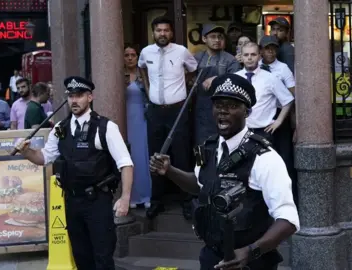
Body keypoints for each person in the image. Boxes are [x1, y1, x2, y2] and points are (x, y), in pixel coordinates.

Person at [149, 74, 299, 269]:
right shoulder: (208, 149)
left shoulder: (264, 157)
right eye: (218, 105)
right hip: (212, 257)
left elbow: (288, 219)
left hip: (251, 261)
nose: (223, 112)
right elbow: (200, 185)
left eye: (232, 106)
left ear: (247, 112)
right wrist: (169, 171)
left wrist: (251, 251)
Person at [16, 76, 133, 269]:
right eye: (71, 96)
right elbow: (44, 158)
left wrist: (125, 198)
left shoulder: (105, 127)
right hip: (71, 202)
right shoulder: (60, 129)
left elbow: (126, 164)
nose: (74, 100)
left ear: (90, 97)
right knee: (81, 257)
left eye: (79, 96)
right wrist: (26, 152)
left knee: (103, 257)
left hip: (98, 201)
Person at [138, 16, 197, 219]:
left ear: (171, 33)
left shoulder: (181, 51)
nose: (162, 34)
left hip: (177, 111)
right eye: (158, 30)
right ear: (153, 32)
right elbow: (142, 68)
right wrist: (148, 89)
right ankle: (157, 201)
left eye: (166, 30)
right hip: (155, 111)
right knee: (155, 155)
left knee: (181, 155)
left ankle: (187, 202)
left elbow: (193, 71)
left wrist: (181, 88)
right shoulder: (146, 52)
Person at [124, 45, 151, 209]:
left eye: (133, 54)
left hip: (142, 117)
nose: (130, 58)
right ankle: (131, 196)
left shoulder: (144, 74)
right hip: (124, 117)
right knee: (129, 155)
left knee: (143, 155)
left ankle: (146, 194)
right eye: (126, 55)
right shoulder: (119, 75)